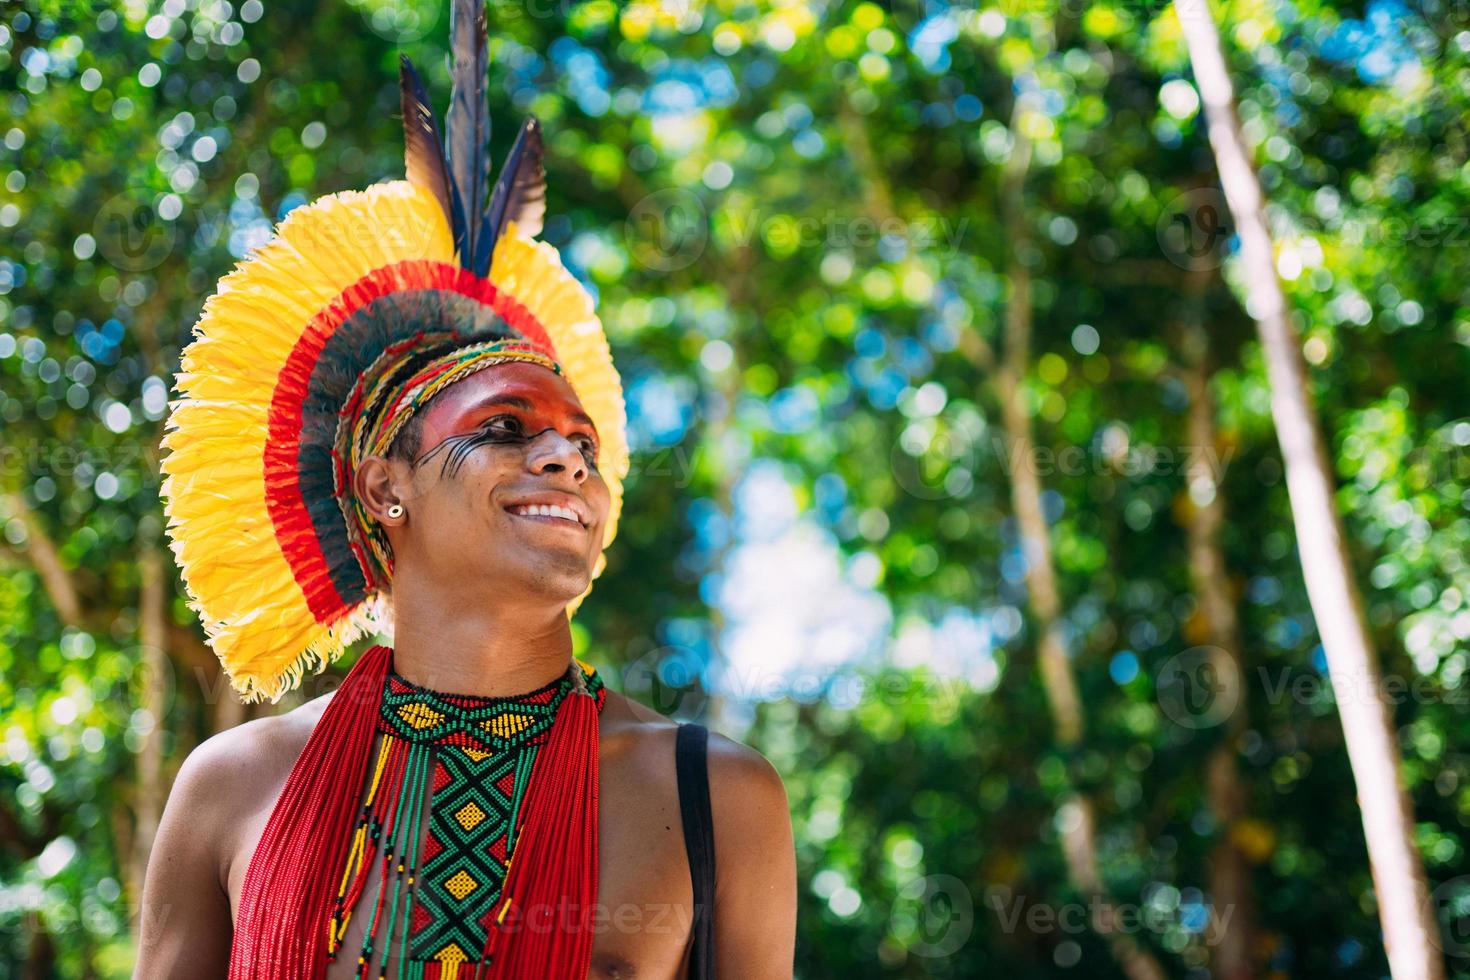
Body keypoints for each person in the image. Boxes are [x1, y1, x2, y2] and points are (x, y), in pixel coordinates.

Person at [134, 8, 796, 977]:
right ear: (384, 485)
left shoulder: (713, 795)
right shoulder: (233, 787)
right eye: (504, 429)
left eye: (583, 442)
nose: (566, 460)